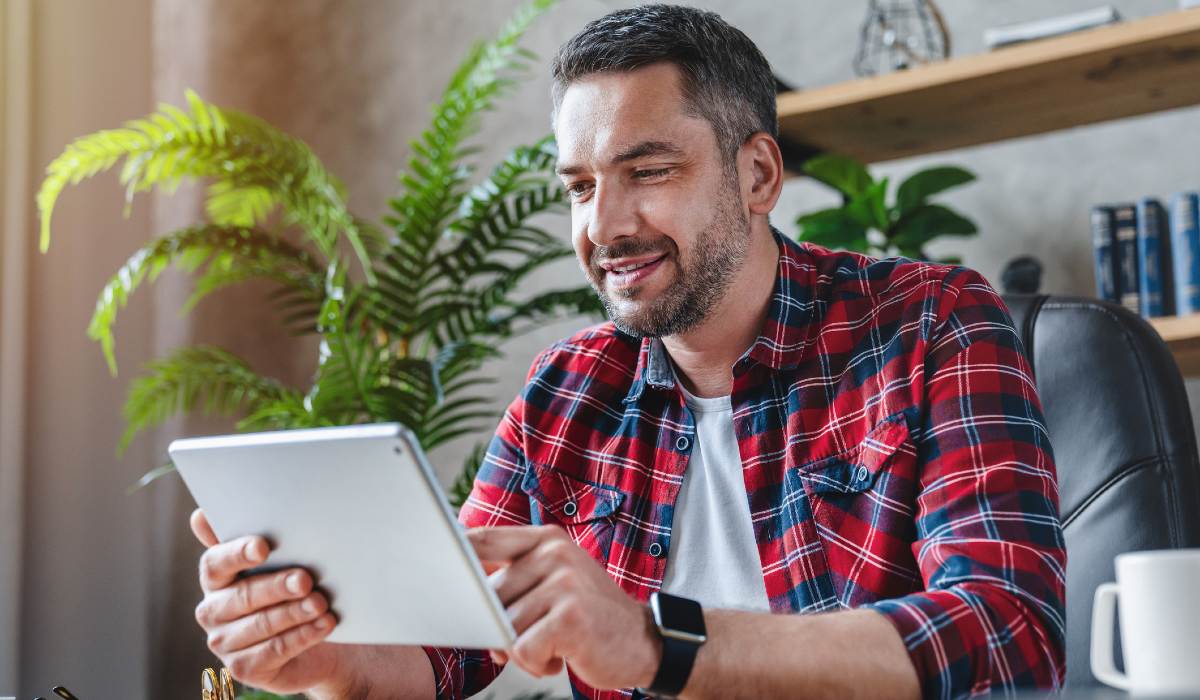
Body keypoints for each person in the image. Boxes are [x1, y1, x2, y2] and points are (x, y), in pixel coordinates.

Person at [190, 5, 1067, 698]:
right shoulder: (567, 392)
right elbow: (449, 648)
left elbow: (1009, 632)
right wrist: (324, 662)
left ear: (758, 175)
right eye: (580, 186)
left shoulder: (932, 326)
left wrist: (654, 642)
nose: (603, 227)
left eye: (648, 171)